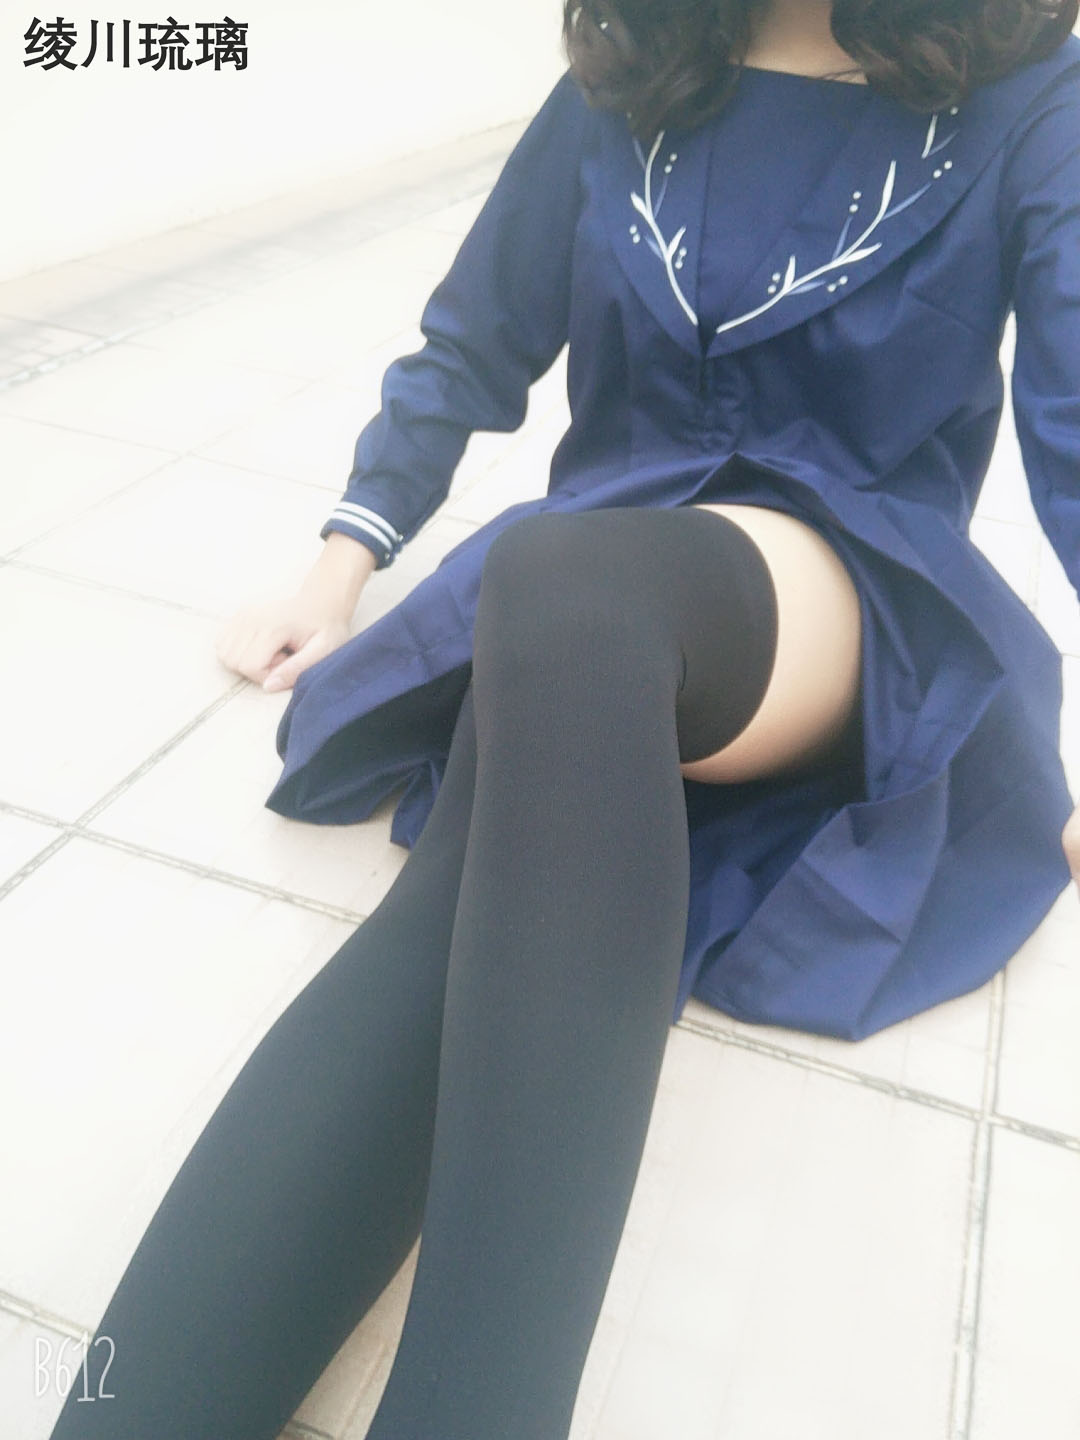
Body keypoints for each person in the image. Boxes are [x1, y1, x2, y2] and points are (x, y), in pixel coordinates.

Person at [49, 2, 1080, 1438]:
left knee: (565, 586)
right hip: (588, 607)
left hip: (845, 588)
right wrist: (338, 565)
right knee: (487, 817)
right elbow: (477, 334)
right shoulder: (640, 67)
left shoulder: (1029, 93)